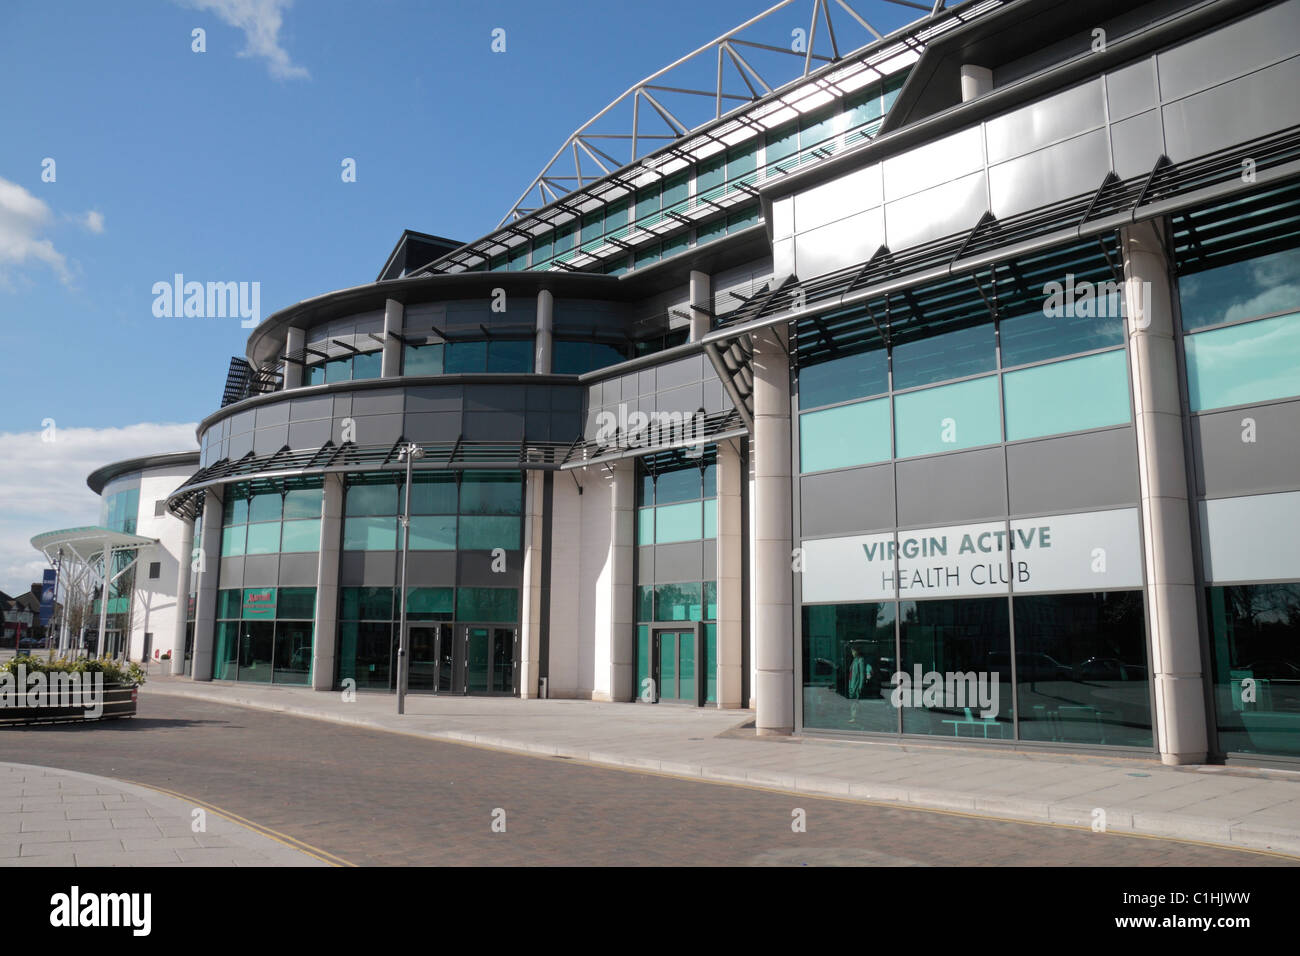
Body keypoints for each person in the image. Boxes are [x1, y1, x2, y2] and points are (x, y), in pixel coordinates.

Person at [848, 646, 871, 723]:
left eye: (853, 651)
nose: (852, 653)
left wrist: (860, 686)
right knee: (855, 702)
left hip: (857, 684)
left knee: (855, 702)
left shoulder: (860, 660)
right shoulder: (854, 660)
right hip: (852, 683)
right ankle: (856, 717)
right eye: (852, 651)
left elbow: (861, 674)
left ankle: (854, 717)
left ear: (857, 651)